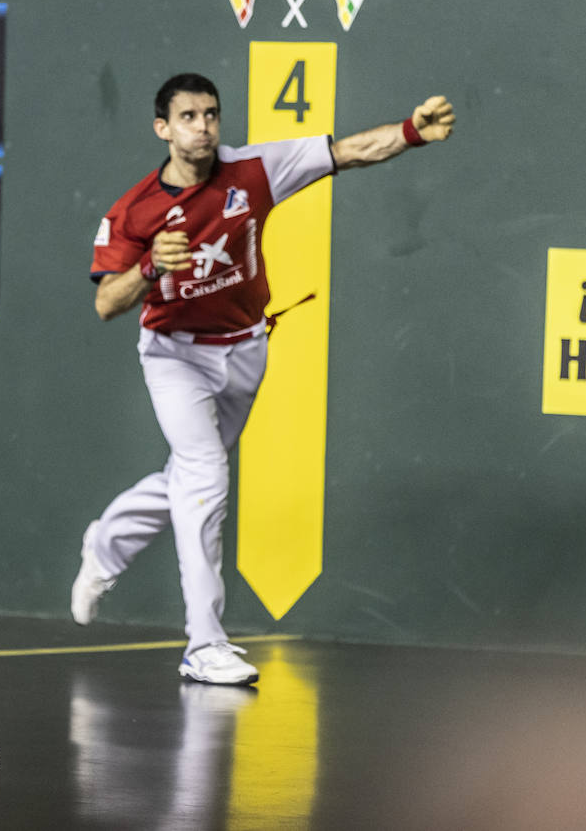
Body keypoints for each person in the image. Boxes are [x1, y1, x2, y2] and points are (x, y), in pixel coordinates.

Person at [74, 73, 455, 685]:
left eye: (211, 114)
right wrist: (150, 264)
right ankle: (204, 646)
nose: (203, 126)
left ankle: (106, 545)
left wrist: (412, 133)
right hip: (175, 356)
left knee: (187, 478)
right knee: (205, 478)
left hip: (246, 348)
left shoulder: (253, 171)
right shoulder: (134, 210)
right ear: (162, 128)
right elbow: (107, 303)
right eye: (189, 116)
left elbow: (348, 152)